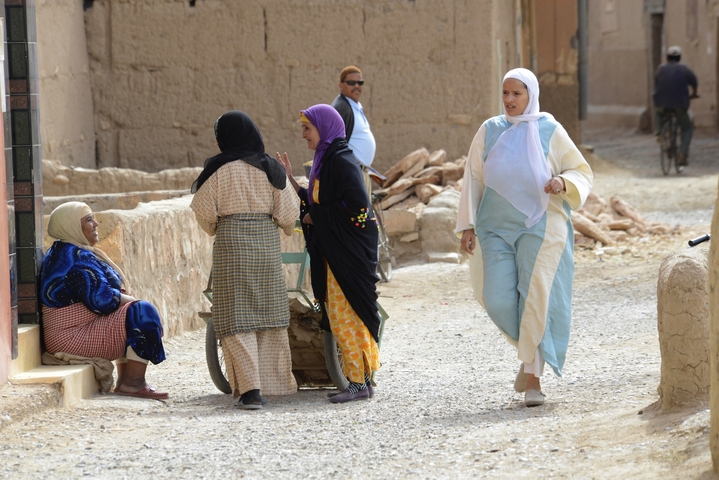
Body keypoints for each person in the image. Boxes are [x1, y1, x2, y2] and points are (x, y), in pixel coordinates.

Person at [455, 68, 593, 407]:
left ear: (530, 94)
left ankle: (533, 378)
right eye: (505, 93)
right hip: (493, 228)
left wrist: (563, 183)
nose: (509, 100)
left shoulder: (550, 129)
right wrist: (467, 226)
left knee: (534, 300)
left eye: (517, 93)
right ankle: (531, 353)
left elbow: (580, 170)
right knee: (498, 299)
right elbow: (473, 178)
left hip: (541, 226)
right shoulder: (489, 130)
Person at [190, 110, 299, 410]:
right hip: (265, 247)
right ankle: (275, 386)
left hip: (231, 247)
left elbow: (203, 212)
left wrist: (219, 226)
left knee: (236, 316)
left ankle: (251, 391)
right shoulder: (271, 169)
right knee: (268, 312)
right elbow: (289, 214)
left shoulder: (216, 169)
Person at [275, 104, 381, 404]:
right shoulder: (327, 160)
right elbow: (318, 202)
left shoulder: (342, 161)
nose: (304, 135)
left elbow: (359, 210)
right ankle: (362, 380)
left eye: (308, 128)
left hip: (349, 254)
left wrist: (317, 217)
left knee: (344, 314)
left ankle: (358, 384)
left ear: (324, 128)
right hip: (337, 252)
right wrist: (293, 183)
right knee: (344, 314)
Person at [40, 202, 168, 399]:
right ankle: (134, 382)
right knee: (142, 312)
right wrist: (133, 301)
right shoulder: (76, 260)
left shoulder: (64, 250)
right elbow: (103, 301)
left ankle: (125, 381)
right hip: (71, 337)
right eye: (89, 220)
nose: (96, 224)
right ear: (71, 226)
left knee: (133, 312)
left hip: (66, 334)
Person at [331, 65, 376, 198]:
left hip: (360, 174)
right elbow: (333, 144)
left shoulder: (354, 106)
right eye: (351, 82)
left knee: (362, 218)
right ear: (341, 85)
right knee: (354, 217)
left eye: (360, 82)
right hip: (351, 175)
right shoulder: (341, 108)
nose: (356, 86)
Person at [653, 45, 699, 169]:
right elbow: (694, 81)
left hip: (661, 102)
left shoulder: (660, 69)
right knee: (687, 128)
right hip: (680, 104)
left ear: (667, 58)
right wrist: (694, 94)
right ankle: (683, 153)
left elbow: (657, 82)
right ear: (679, 58)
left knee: (659, 112)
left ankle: (659, 132)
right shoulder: (684, 69)